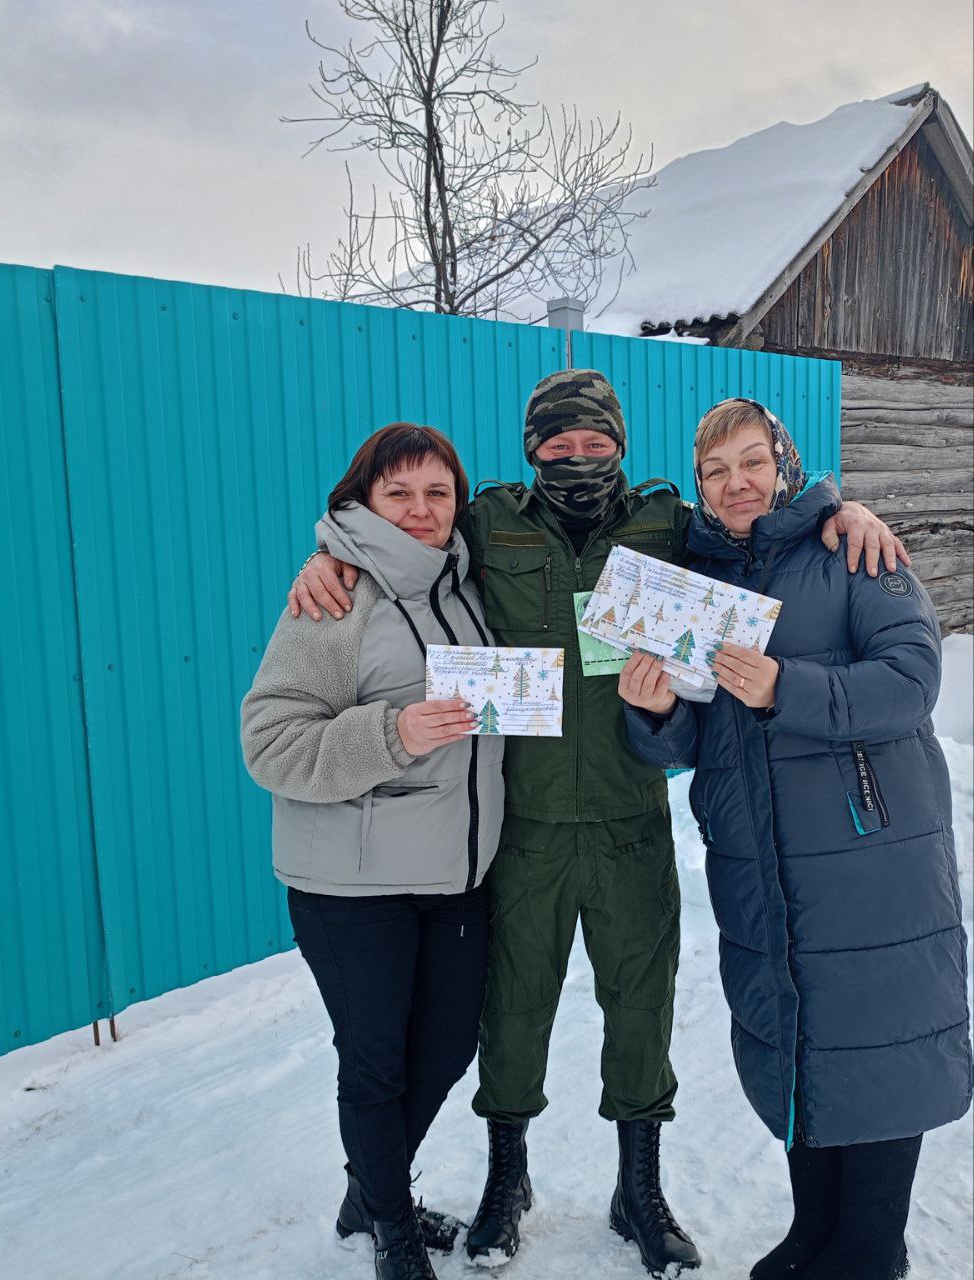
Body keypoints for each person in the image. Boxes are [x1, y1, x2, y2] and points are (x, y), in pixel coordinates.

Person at [288, 371, 907, 1274]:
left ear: (619, 443)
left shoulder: (665, 526)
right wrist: (332, 556)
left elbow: (754, 528)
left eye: (594, 444)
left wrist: (841, 514)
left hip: (628, 819)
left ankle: (638, 1186)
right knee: (513, 1010)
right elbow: (401, 541)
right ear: (531, 448)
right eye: (556, 445)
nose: (576, 458)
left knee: (639, 1006)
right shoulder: (486, 526)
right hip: (522, 827)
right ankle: (509, 1176)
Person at [619, 397, 972, 1280]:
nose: (734, 483)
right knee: (797, 1037)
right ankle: (814, 1230)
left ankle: (867, 1247)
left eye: (750, 462)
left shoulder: (853, 552)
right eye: (714, 470)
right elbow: (703, 736)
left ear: (783, 463)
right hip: (760, 859)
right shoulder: (696, 579)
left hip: (867, 852)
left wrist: (788, 686)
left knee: (877, 1034)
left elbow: (911, 679)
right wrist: (654, 712)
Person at [242, 423, 505, 1280]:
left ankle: (369, 1190)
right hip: (352, 886)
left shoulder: (464, 586)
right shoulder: (334, 598)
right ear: (362, 500)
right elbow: (269, 741)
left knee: (447, 1048)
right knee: (376, 1065)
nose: (421, 510)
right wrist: (389, 734)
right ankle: (389, 1229)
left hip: (453, 872)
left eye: (437, 493)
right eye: (400, 494)